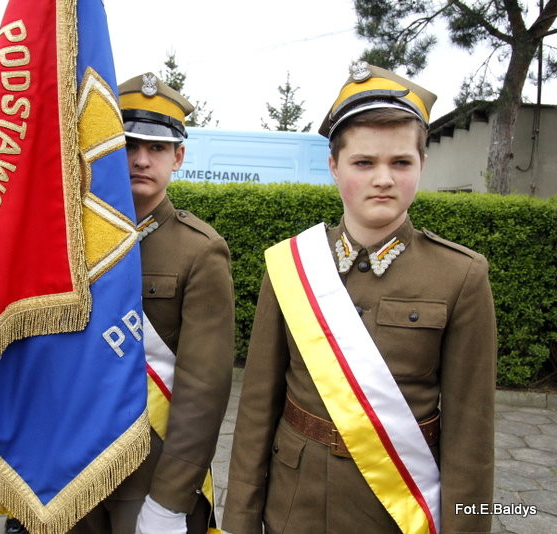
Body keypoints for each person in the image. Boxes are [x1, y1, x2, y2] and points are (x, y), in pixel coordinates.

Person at [222, 63, 497, 534]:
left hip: (398, 509)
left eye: (401, 162)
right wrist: (240, 521)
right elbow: (255, 410)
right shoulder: (291, 266)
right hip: (294, 505)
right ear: (334, 166)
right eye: (364, 163)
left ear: (422, 166)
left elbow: (471, 435)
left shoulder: (462, 275)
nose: (383, 179)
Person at [69, 73, 235, 534]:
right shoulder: (70, 239)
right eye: (128, 144)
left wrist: (170, 499)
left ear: (178, 156)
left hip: (151, 466)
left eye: (158, 148)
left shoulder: (200, 250)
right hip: (70, 457)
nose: (141, 159)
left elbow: (203, 391)